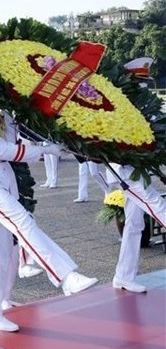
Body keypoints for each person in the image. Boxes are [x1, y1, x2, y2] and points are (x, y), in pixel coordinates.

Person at [0, 53, 99, 333]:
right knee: (23, 220)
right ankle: (65, 276)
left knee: (1, 250)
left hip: (3, 178)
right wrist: (45, 151)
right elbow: (4, 150)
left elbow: (18, 135)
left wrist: (50, 140)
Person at [105, 57, 166, 293]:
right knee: (155, 203)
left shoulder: (142, 105)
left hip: (137, 168)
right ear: (129, 80)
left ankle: (123, 275)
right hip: (125, 169)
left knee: (134, 223)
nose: (143, 85)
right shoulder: (121, 106)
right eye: (139, 80)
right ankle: (124, 276)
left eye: (144, 81)